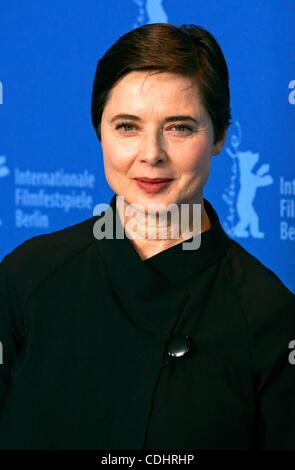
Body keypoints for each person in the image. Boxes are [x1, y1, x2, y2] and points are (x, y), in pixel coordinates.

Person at [0, 22, 294, 450]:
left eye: (179, 127)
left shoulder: (268, 314)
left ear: (220, 136)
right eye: (127, 126)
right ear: (99, 132)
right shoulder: (27, 277)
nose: (151, 153)